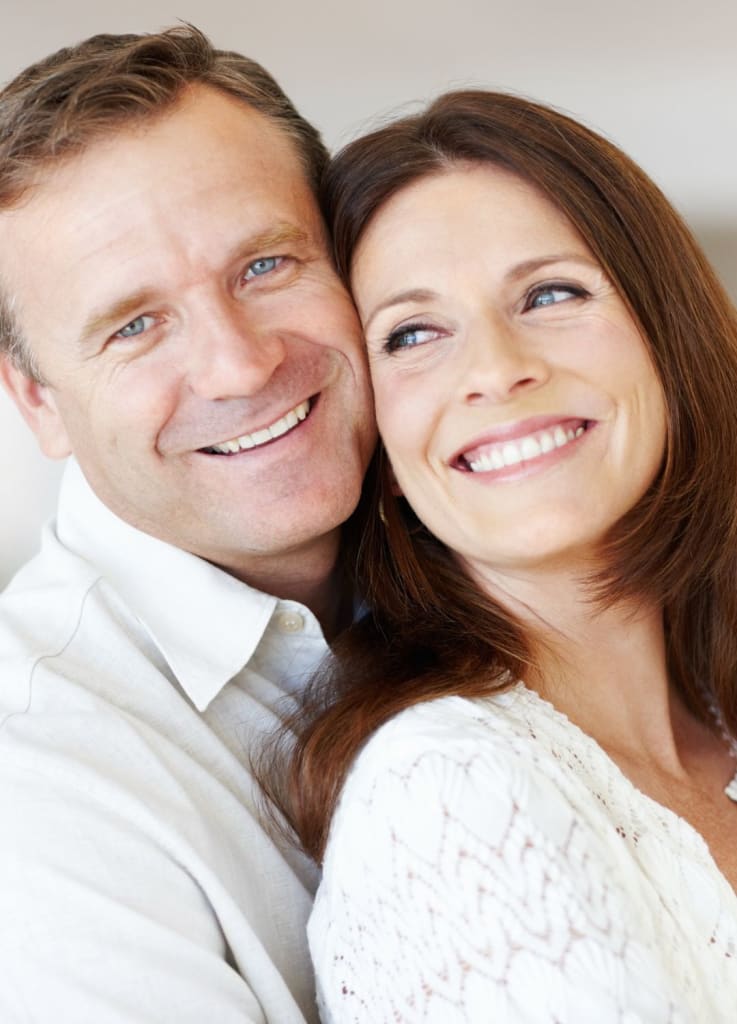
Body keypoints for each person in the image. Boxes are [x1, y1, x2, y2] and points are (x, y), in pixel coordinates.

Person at [264, 91, 737, 1021]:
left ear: (665, 336)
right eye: (411, 335)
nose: (493, 368)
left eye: (550, 293)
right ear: (382, 448)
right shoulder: (447, 794)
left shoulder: (716, 721)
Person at [0, 25, 375, 1024]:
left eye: (264, 265)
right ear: (36, 400)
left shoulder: (522, 541)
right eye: (134, 325)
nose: (241, 365)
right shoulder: (31, 777)